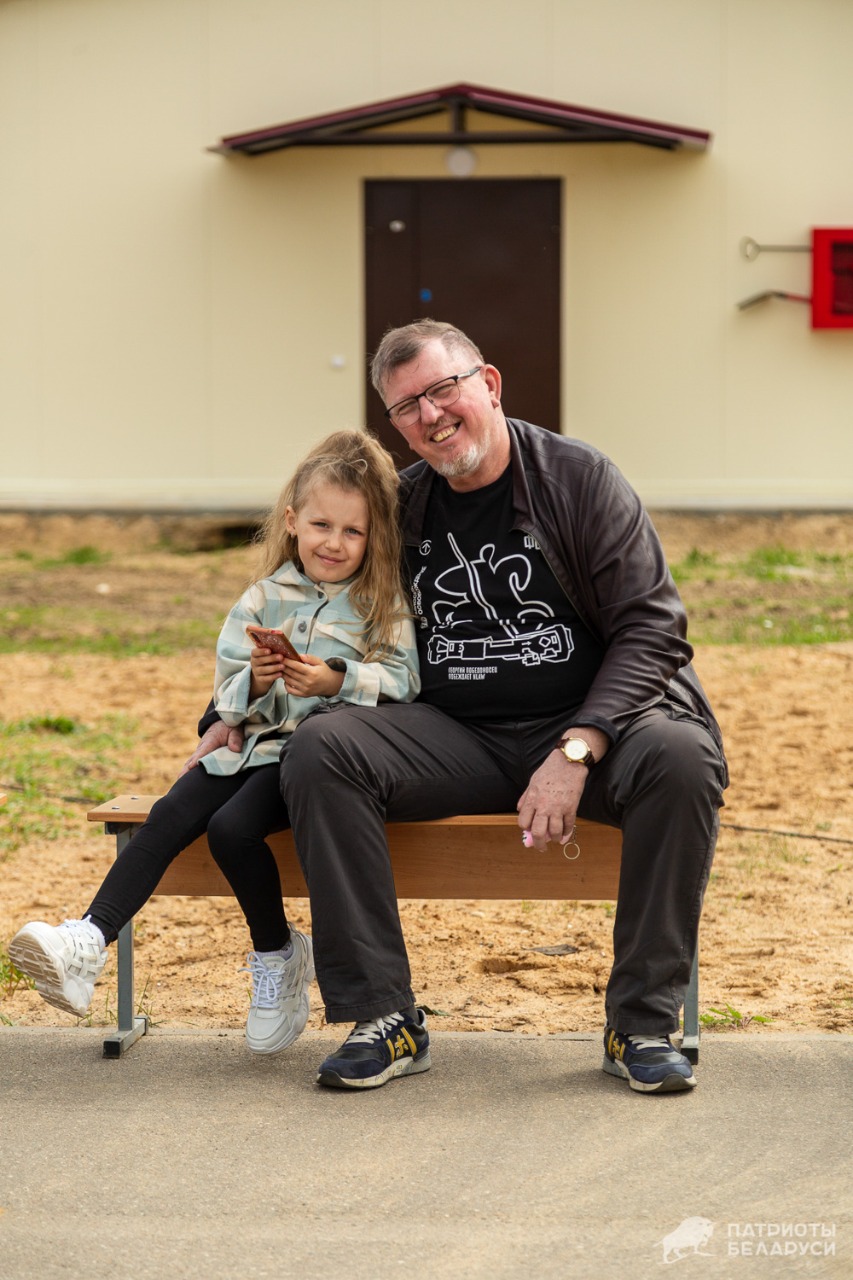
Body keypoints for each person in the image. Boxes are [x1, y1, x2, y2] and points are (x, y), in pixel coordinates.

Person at [186, 319, 728, 1095]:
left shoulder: (578, 480)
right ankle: (384, 1018)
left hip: (587, 726)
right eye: (406, 406)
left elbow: (653, 628)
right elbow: (306, 597)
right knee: (325, 748)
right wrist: (225, 710)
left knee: (681, 758)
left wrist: (577, 748)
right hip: (452, 735)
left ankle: (639, 1025)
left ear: (489, 384)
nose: (431, 415)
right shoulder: (401, 507)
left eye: (443, 389)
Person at [10, 429, 420, 1056]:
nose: (334, 543)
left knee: (231, 830)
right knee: (170, 810)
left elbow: (405, 680)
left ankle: (277, 952)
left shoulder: (379, 601)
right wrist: (254, 682)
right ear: (292, 522)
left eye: (352, 531)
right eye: (321, 525)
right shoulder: (261, 597)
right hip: (247, 747)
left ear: (374, 537)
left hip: (310, 762)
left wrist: (337, 678)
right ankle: (88, 939)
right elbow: (227, 697)